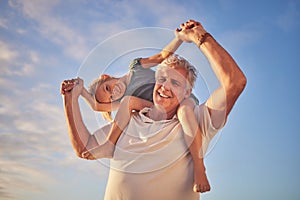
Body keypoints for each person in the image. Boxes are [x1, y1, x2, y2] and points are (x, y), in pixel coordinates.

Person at [61, 19, 246, 199]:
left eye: (175, 83)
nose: (165, 87)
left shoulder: (199, 122)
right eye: (162, 79)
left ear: (187, 92)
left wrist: (199, 37)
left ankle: (200, 167)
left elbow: (235, 82)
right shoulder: (128, 120)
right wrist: (71, 98)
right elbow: (84, 148)